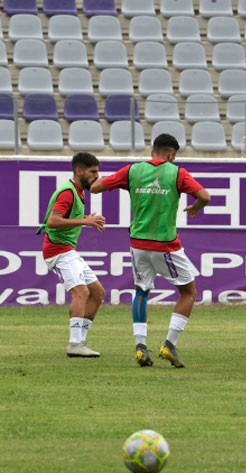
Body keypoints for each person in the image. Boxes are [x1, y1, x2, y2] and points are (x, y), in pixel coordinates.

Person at [91, 134, 210, 368]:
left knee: (141, 291)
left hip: (138, 244)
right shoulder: (177, 173)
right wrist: (195, 207)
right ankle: (169, 344)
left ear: (152, 150)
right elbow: (205, 196)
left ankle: (140, 346)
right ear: (171, 154)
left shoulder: (132, 171)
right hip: (166, 245)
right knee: (188, 293)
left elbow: (95, 188)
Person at [40, 153, 106, 358]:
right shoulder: (68, 193)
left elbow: (67, 218)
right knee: (81, 292)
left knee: (97, 293)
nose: (97, 176)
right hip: (58, 251)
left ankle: (81, 341)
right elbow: (53, 221)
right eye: (93, 172)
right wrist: (85, 222)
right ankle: (75, 344)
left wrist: (86, 218)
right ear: (79, 171)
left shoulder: (79, 191)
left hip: (67, 250)